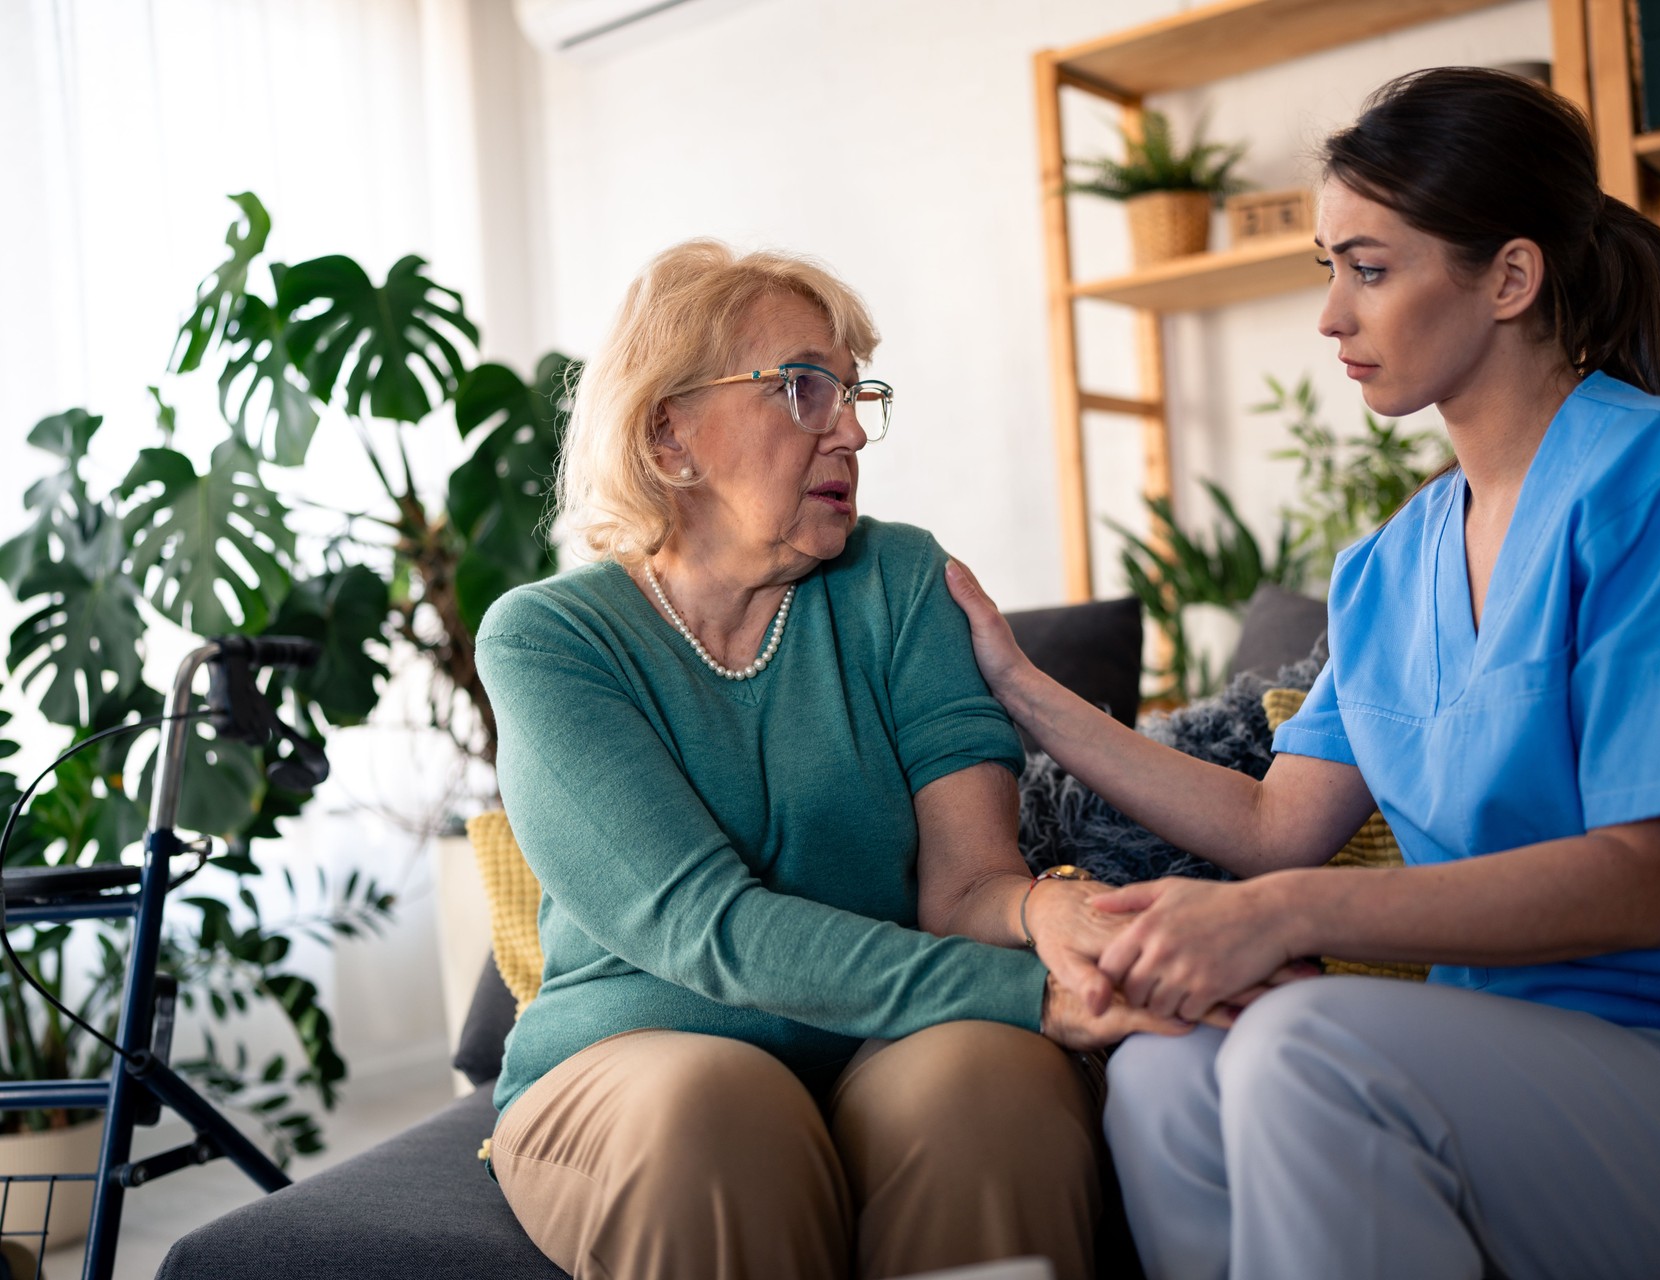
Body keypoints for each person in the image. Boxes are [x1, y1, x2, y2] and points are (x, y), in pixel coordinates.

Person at [944, 68, 1660, 1280]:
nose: (1330, 316)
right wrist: (1022, 686)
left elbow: (1647, 881)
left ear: (1510, 277)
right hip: (1523, 1059)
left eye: (1369, 265)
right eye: (1326, 268)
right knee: (1165, 1076)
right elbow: (1271, 825)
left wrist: (1282, 917)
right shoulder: (1390, 564)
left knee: (1304, 1046)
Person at [474, 240, 1174, 1280]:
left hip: (892, 1040)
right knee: (715, 1113)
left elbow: (972, 883)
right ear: (670, 433)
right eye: (804, 387)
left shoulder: (901, 579)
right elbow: (702, 924)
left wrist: (1054, 920)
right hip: (630, 1057)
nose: (850, 428)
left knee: (995, 1083)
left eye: (855, 392)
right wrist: (1027, 990)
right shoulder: (549, 640)